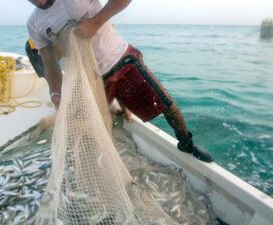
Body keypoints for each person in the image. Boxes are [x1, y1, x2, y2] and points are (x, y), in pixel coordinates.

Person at [26, 0, 213, 162]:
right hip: (90, 78)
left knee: (166, 104)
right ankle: (102, 153)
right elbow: (49, 62)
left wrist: (94, 23)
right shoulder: (34, 24)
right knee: (86, 129)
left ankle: (187, 143)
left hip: (121, 60)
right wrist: (55, 92)